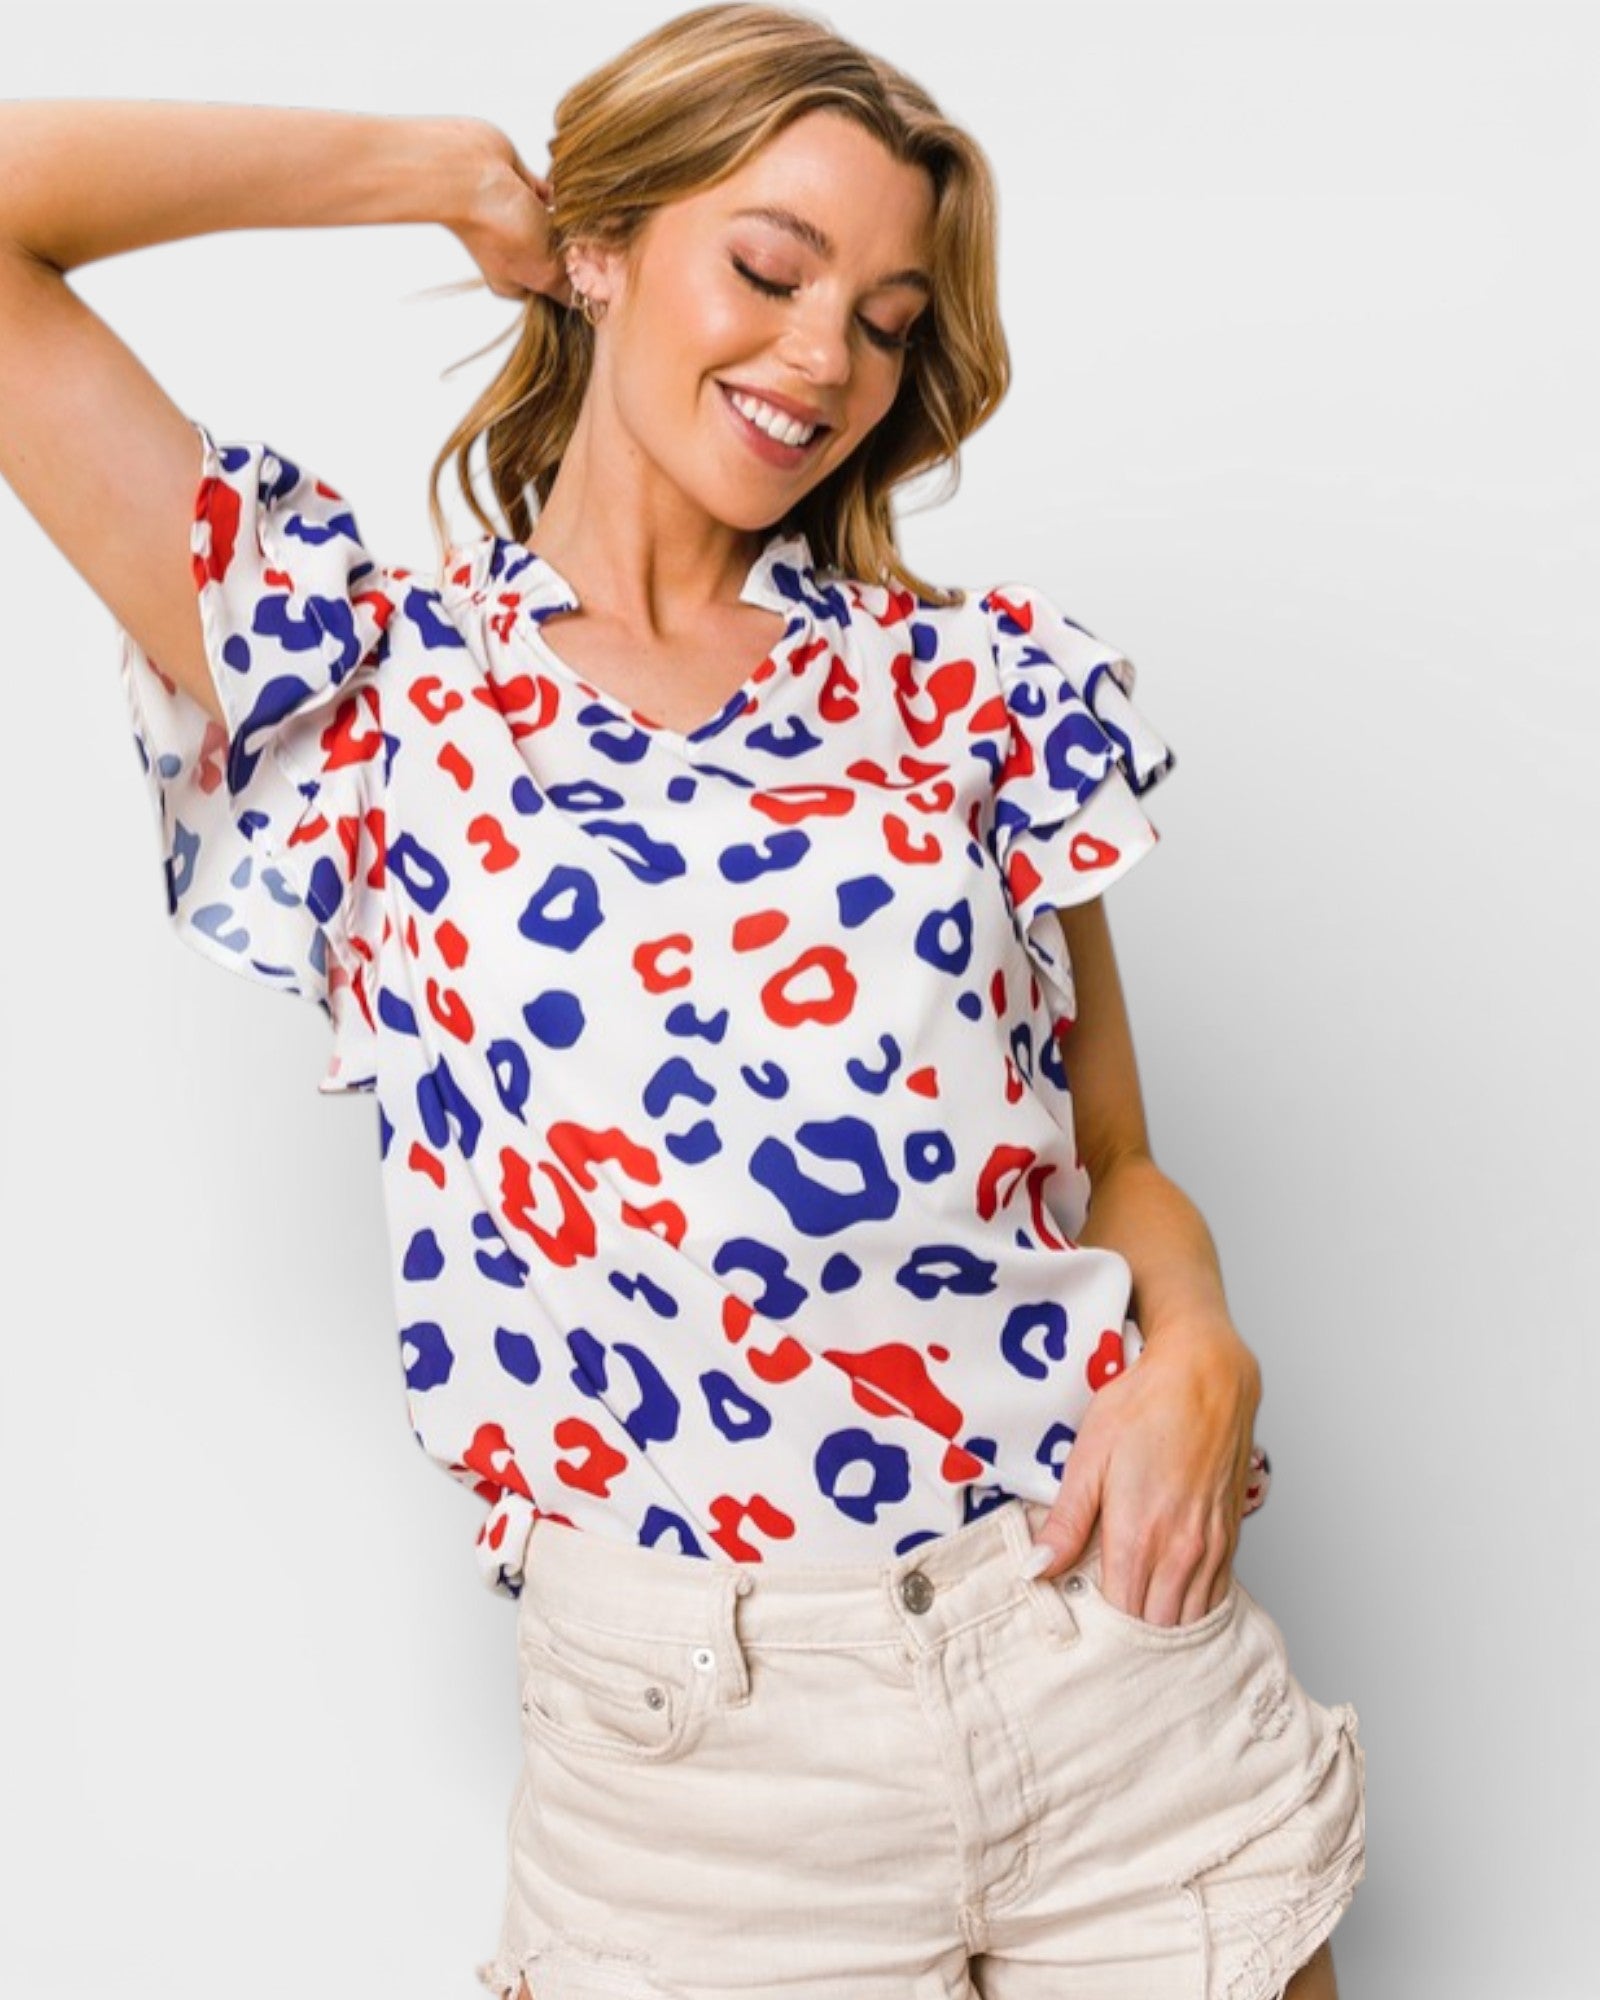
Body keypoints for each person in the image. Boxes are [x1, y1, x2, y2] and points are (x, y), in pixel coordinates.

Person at [0, 6, 1364, 1996]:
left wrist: (1201, 1341)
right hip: (694, 1774)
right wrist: (431, 170)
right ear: (603, 245)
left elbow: (1121, 1165)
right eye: (768, 264)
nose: (823, 355)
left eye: (886, 320)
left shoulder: (971, 684)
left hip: (1101, 1656)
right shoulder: (361, 684)